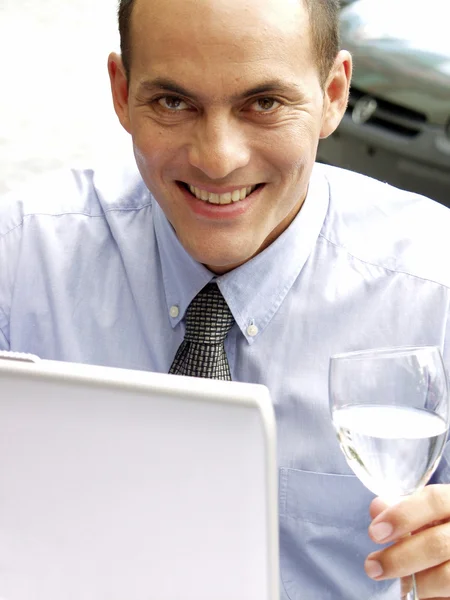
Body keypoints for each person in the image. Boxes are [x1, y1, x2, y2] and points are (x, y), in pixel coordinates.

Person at [1, 0, 450, 597]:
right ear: (121, 92)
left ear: (334, 95)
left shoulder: (435, 291)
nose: (218, 159)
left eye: (263, 104)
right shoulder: (21, 257)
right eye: (172, 102)